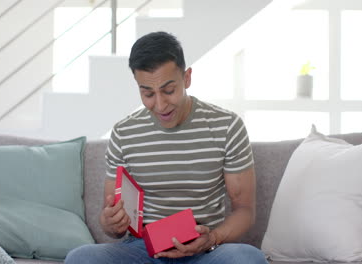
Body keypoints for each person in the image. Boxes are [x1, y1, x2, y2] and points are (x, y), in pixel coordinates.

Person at [65, 31, 268, 264]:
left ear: (187, 78)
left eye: (169, 90)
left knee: (248, 259)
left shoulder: (227, 126)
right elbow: (112, 226)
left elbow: (244, 211)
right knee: (80, 258)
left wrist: (212, 237)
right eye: (148, 93)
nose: (160, 105)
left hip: (204, 250)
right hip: (143, 250)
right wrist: (111, 222)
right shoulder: (124, 133)